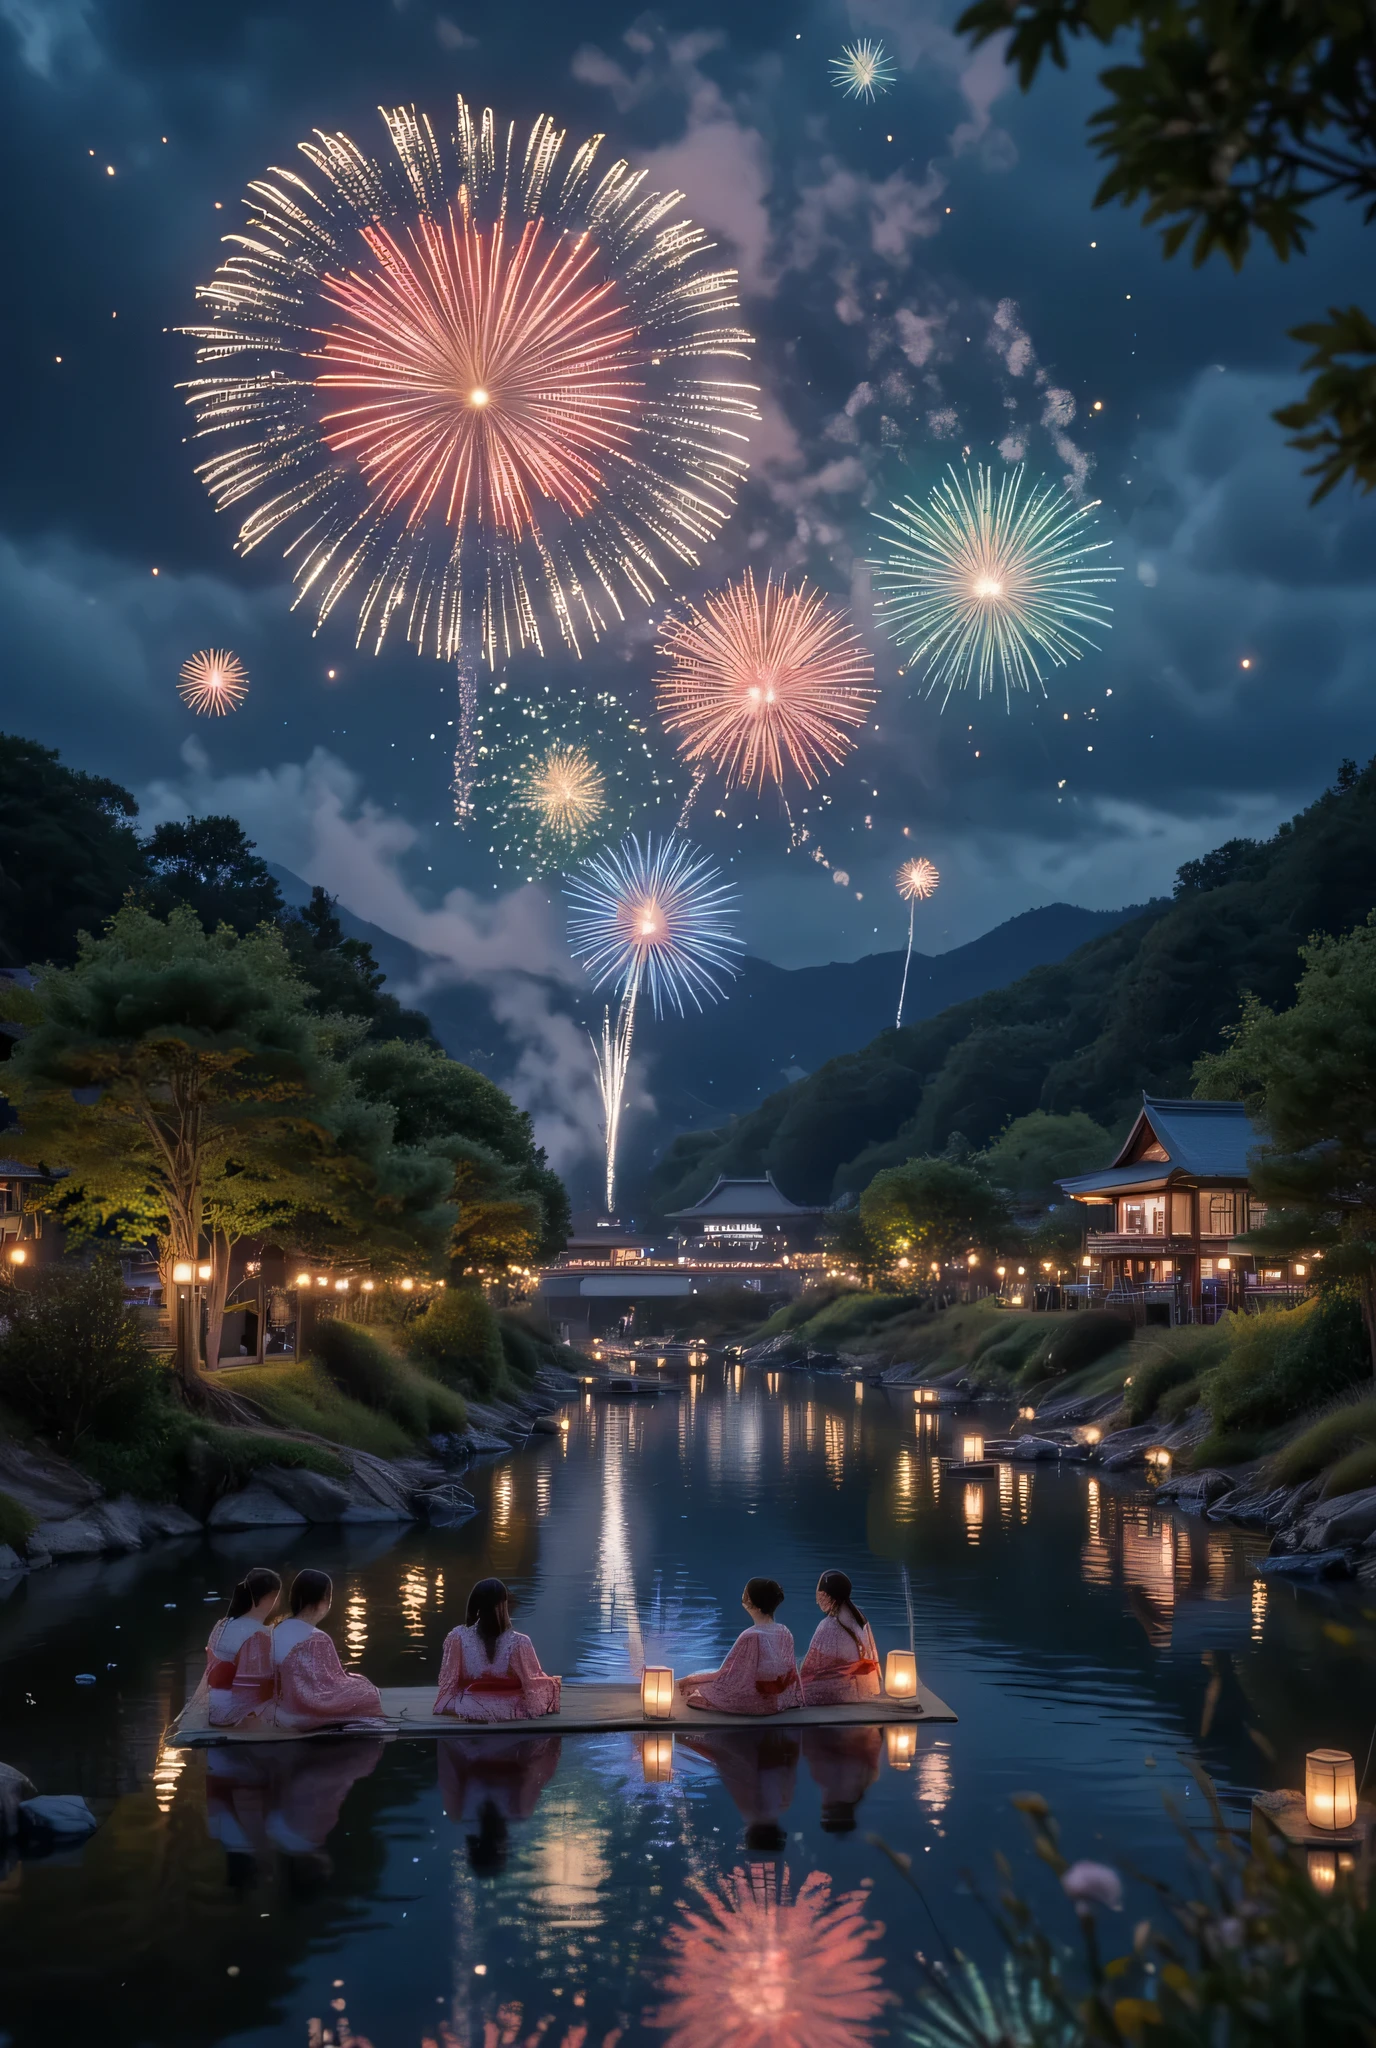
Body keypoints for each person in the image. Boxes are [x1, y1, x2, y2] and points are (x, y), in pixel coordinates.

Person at [433, 1577, 562, 1722]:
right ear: (503, 1605)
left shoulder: (457, 1637)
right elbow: (531, 1683)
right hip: (510, 1708)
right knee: (548, 1686)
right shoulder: (520, 1642)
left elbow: (449, 1682)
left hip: (469, 1708)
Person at [272, 1569, 387, 1732]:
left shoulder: (277, 1629)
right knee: (367, 1691)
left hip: (283, 1706)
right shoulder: (318, 1638)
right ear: (323, 1600)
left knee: (358, 1681)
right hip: (307, 1706)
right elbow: (332, 1683)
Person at [679, 1578, 802, 1714]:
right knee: (699, 1679)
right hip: (776, 1700)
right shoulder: (784, 1631)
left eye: (746, 1593)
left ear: (751, 1602)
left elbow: (724, 1674)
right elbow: (790, 1673)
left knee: (691, 1688)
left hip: (755, 1700)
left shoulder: (751, 1635)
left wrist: (690, 1680)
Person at [205, 1567, 281, 1728]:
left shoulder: (223, 1623)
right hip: (234, 1711)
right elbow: (258, 1683)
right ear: (269, 1597)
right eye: (276, 1597)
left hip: (213, 1704)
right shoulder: (258, 1634)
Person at [799, 1570, 881, 1706]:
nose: (818, 1599)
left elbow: (809, 1669)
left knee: (796, 1679)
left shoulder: (829, 1626)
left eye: (821, 1594)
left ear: (826, 1596)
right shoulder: (859, 1617)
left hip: (842, 1691)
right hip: (864, 1687)